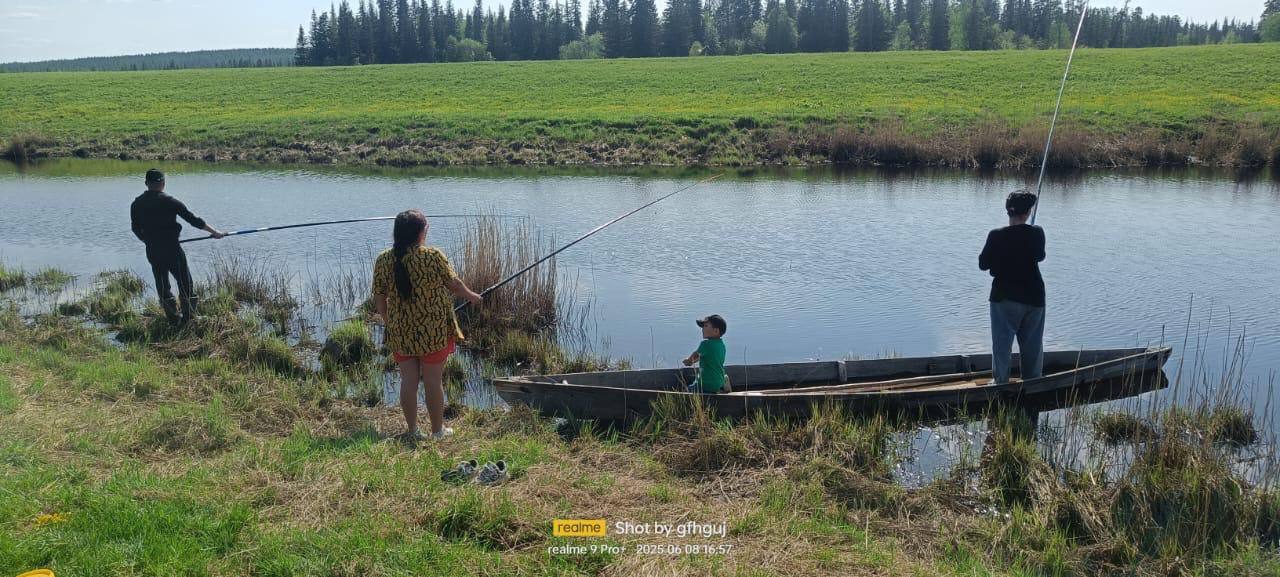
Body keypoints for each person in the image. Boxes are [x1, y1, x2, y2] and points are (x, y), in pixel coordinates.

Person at [372, 209, 483, 441]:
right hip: (433, 331)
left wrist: (387, 320)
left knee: (408, 381)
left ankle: (412, 431)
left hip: (401, 331)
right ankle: (437, 431)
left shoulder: (383, 259)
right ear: (420, 233)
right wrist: (472, 296)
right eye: (426, 228)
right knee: (433, 381)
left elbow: (379, 296)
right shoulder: (433, 256)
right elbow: (454, 284)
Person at [130, 168, 226, 324]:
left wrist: (147, 240)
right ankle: (189, 319)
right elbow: (193, 220)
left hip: (153, 250)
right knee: (185, 282)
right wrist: (215, 232)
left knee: (162, 283)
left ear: (146, 183)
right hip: (172, 250)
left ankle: (173, 319)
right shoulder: (170, 202)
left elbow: (135, 228)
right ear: (163, 183)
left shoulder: (136, 204)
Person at [979, 190, 1046, 385]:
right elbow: (1040, 256)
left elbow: (983, 264)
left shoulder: (996, 235)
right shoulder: (1037, 232)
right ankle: (1033, 383)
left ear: (1008, 210)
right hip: (1034, 297)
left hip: (1004, 298)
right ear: (1027, 213)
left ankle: (1000, 383)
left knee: (1002, 345)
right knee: (1032, 345)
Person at [682, 314, 729, 394]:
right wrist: (694, 361)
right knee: (723, 376)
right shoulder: (721, 345)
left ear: (716, 331)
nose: (702, 329)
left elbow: (695, 355)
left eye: (706, 326)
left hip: (706, 385)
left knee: (686, 391)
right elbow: (707, 357)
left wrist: (688, 361)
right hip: (719, 381)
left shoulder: (705, 344)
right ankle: (726, 388)